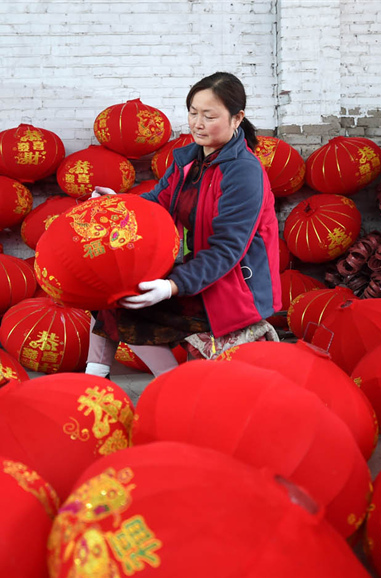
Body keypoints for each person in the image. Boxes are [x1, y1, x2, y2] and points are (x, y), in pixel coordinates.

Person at [85, 71, 282, 378]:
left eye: (209, 115)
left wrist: (171, 286)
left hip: (229, 286)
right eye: (193, 113)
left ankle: (174, 385)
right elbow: (156, 201)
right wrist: (116, 204)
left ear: (236, 118)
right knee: (112, 300)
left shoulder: (243, 173)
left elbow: (226, 250)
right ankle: (93, 383)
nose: (198, 124)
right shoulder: (189, 160)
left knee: (127, 309)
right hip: (197, 276)